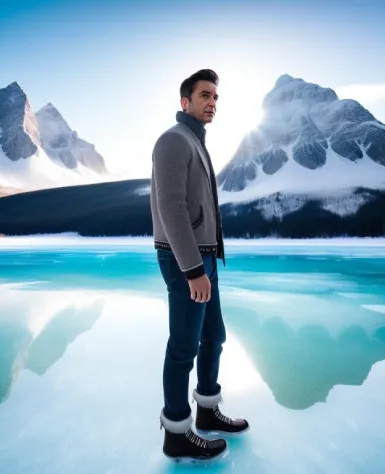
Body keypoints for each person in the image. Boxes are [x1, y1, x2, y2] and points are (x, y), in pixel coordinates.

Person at [150, 69, 249, 463]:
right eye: (205, 95)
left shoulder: (195, 141)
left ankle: (207, 410)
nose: (212, 102)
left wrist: (205, 263)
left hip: (204, 256)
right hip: (185, 259)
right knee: (183, 347)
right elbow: (170, 206)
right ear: (185, 101)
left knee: (215, 336)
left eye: (215, 97)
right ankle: (176, 432)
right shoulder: (173, 140)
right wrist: (193, 269)